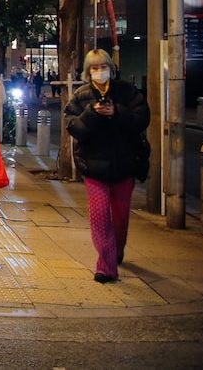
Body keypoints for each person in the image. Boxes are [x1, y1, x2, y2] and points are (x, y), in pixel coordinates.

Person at [64, 49, 150, 283]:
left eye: (103, 67)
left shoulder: (127, 92)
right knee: (100, 216)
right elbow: (73, 127)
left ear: (111, 69)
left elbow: (142, 118)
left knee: (120, 218)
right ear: (88, 72)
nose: (99, 72)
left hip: (124, 166)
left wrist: (117, 113)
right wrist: (92, 113)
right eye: (94, 68)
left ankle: (116, 250)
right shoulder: (81, 96)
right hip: (94, 166)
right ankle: (106, 265)